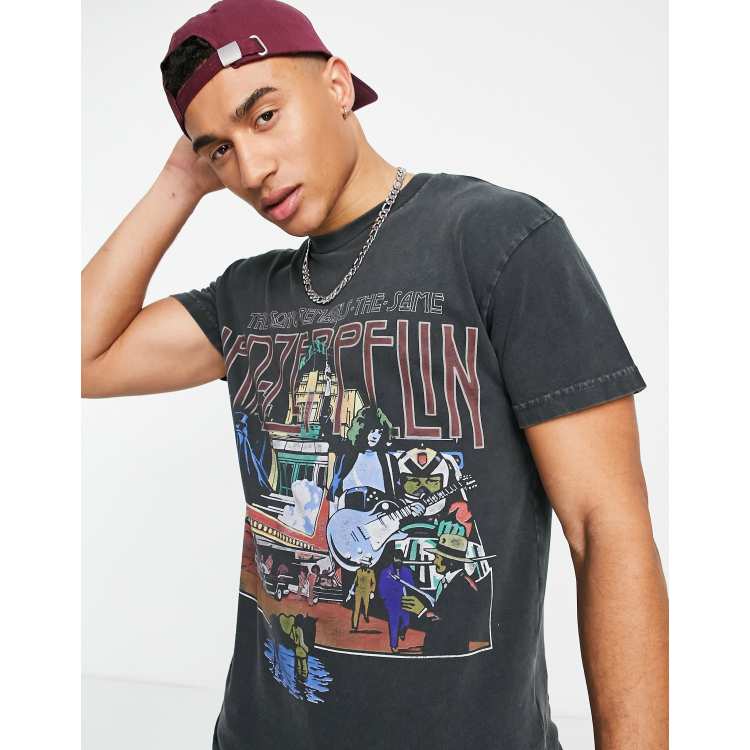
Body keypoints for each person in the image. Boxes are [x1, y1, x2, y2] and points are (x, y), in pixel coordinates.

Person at [81, 0, 667, 747]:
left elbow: (605, 528)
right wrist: (180, 179)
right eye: (220, 150)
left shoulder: (499, 241)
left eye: (264, 116)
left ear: (337, 84)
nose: (252, 170)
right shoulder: (247, 295)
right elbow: (76, 357)